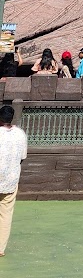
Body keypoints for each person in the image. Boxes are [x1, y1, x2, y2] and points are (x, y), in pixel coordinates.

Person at [0, 102, 28, 257]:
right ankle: (0, 248)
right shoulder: (20, 134)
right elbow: (22, 157)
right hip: (10, 180)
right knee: (6, 214)